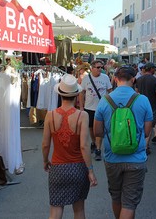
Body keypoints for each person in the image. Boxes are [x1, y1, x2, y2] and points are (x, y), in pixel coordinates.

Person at [93, 65, 152, 219]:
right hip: (136, 159)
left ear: (115, 79)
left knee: (116, 197)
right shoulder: (143, 100)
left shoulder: (104, 101)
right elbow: (146, 132)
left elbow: (97, 132)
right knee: (129, 203)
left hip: (112, 158)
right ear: (133, 80)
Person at [42, 74, 97, 219]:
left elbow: (45, 144)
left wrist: (45, 161)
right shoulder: (82, 115)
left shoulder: (50, 115)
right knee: (79, 210)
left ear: (60, 94)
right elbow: (84, 146)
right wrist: (90, 170)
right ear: (76, 95)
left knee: (55, 209)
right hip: (78, 168)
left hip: (58, 168)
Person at [79, 60, 112, 161]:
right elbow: (81, 93)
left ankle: (98, 149)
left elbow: (110, 91)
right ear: (92, 68)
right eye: (98, 67)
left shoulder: (105, 78)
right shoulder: (86, 78)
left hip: (101, 108)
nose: (100, 69)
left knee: (99, 129)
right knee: (90, 128)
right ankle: (93, 142)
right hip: (89, 108)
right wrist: (81, 107)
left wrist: (110, 105)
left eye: (101, 67)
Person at [135, 62, 156, 154]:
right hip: (151, 106)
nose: (155, 70)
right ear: (150, 69)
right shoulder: (155, 80)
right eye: (154, 69)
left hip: (140, 106)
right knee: (149, 126)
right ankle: (145, 146)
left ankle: (140, 144)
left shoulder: (139, 79)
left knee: (140, 125)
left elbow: (136, 93)